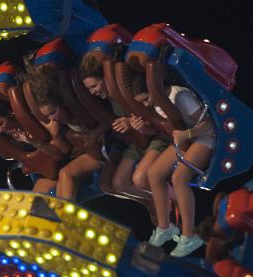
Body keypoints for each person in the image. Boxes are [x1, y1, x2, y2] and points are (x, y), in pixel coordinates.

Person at [134, 75, 217, 257]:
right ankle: (165, 227)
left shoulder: (179, 96)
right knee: (154, 174)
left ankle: (189, 236)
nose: (146, 104)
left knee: (179, 177)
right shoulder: (158, 104)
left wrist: (188, 134)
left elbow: (209, 125)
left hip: (204, 138)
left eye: (146, 99)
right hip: (186, 140)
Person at [78, 51, 167, 199]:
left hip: (154, 135)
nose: (93, 92)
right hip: (138, 139)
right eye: (89, 89)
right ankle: (159, 201)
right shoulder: (110, 98)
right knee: (119, 183)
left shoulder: (127, 89)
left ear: (105, 79)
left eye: (94, 86)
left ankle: (169, 199)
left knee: (140, 179)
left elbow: (151, 117)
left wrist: (129, 122)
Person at [26, 65, 106, 201]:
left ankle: (63, 213)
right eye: (48, 116)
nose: (52, 118)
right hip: (86, 152)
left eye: (53, 112)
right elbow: (64, 150)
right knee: (41, 185)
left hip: (102, 150)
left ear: (61, 104)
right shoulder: (61, 124)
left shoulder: (80, 111)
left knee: (66, 173)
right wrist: (55, 135)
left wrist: (93, 136)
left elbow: (106, 122)